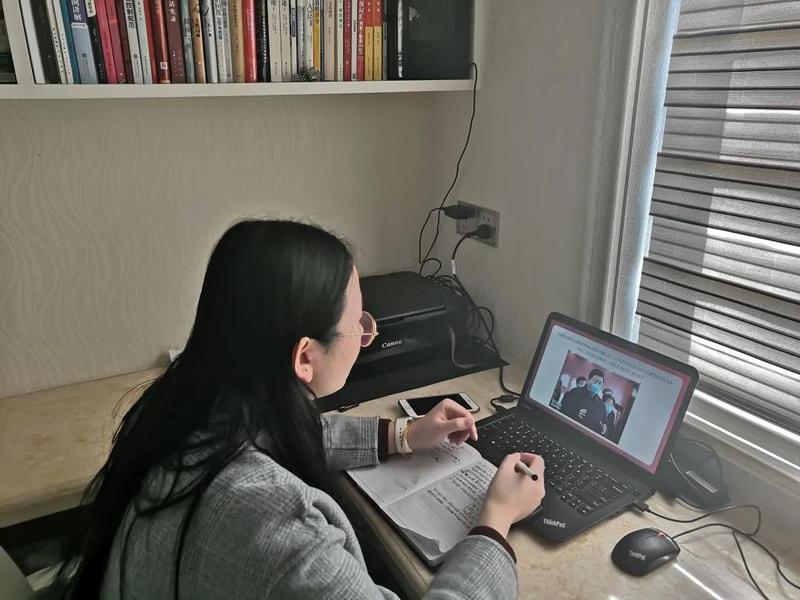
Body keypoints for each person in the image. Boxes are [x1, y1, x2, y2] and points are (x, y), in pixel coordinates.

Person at [60, 220, 545, 600]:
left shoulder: (183, 409)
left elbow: (284, 434)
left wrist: (404, 434)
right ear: (305, 357)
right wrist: (495, 521)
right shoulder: (277, 526)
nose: (367, 333)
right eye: (359, 321)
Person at [559, 368, 605, 434]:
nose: (597, 385)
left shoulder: (601, 406)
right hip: (567, 431)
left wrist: (603, 429)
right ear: (589, 380)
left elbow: (601, 424)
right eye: (595, 381)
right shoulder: (574, 392)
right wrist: (576, 412)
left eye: (600, 383)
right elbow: (563, 408)